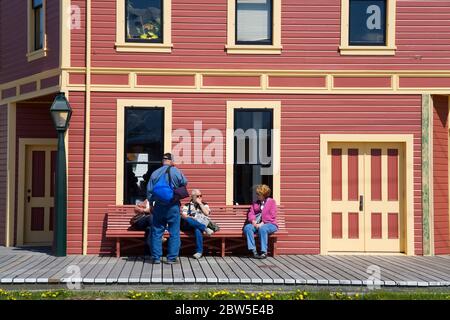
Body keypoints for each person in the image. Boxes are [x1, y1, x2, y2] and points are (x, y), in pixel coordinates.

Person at [147, 153, 188, 264]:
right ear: (171, 161)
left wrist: (151, 204)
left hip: (159, 205)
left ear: (163, 161)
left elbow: (149, 191)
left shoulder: (155, 173)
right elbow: (184, 182)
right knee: (174, 232)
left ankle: (156, 258)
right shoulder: (176, 171)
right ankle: (171, 258)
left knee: (156, 231)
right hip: (173, 205)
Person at [243, 184, 278, 259]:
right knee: (247, 228)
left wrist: (263, 223)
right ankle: (253, 250)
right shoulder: (255, 203)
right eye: (257, 194)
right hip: (256, 223)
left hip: (270, 224)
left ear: (264, 194)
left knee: (263, 229)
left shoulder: (272, 202)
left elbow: (272, 215)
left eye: (259, 194)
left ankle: (263, 252)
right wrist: (253, 221)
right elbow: (251, 213)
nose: (257, 195)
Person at [181, 189, 214, 259]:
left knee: (197, 229)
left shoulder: (205, 204)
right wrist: (192, 218)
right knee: (188, 219)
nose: (199, 197)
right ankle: (205, 228)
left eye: (201, 195)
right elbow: (184, 215)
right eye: (197, 196)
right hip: (188, 226)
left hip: (198, 225)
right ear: (192, 197)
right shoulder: (187, 205)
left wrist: (200, 204)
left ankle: (199, 252)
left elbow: (207, 213)